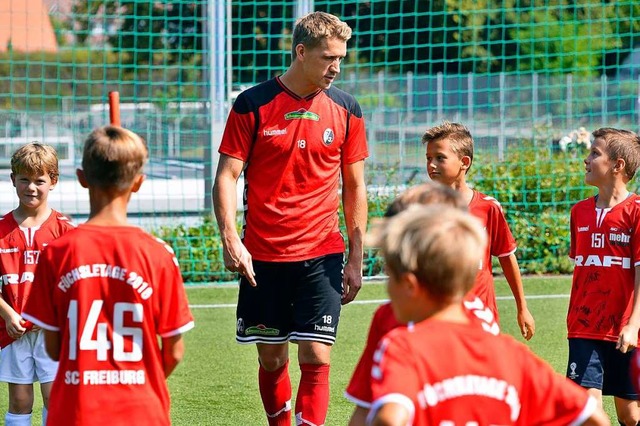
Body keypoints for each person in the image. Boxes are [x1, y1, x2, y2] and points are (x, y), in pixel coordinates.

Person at [213, 11, 368, 426]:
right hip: (263, 255)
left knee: (316, 353)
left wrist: (356, 257)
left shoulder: (348, 109)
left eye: (341, 58)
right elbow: (226, 177)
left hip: (322, 252)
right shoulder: (252, 104)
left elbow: (355, 187)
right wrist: (232, 239)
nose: (336, 67)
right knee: (272, 356)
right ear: (301, 52)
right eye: (328, 58)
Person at [363, 206, 608, 426]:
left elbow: (390, 417)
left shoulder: (402, 347)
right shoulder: (511, 354)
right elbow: (592, 417)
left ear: (409, 285)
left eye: (390, 277)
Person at [22, 126, 195, 425]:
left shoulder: (57, 252)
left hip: (75, 410)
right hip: (141, 409)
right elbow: (174, 351)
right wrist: (136, 379)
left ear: (81, 178)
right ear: (139, 183)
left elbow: (53, 348)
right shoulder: (159, 254)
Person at [345, 182, 499, 425]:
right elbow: (579, 408)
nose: (385, 270)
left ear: (408, 282)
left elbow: (388, 416)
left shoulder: (400, 339)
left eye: (390, 266)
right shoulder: (485, 320)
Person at [422, 121, 535, 338]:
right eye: (428, 158)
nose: (431, 165)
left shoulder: (488, 207)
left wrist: (522, 307)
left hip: (482, 317)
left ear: (464, 162)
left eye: (440, 158)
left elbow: (507, 257)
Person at [566, 127, 640, 425]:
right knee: (586, 409)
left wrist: (633, 325)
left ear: (617, 165)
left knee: (631, 414)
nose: (586, 159)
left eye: (595, 153)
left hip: (626, 329)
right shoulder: (579, 212)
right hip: (583, 327)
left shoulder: (636, 212)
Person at [0, 143, 75, 426]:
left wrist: (51, 314)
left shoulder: (66, 231)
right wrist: (8, 315)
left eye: (39, 180)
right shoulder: (1, 229)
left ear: (53, 181)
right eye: (24, 179)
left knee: (55, 397)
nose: (31, 187)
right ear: (12, 180)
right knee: (19, 401)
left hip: (53, 331)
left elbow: (75, 284)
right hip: (12, 331)